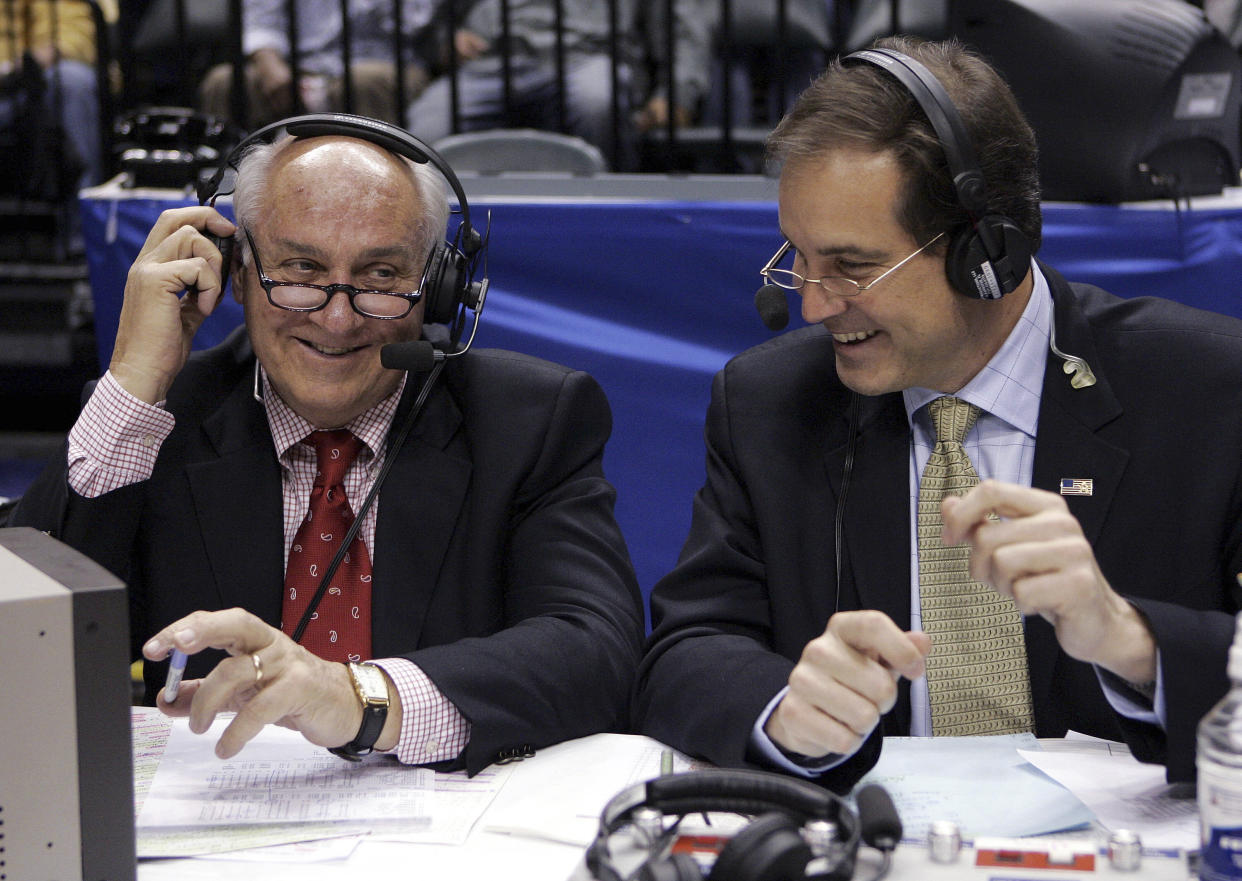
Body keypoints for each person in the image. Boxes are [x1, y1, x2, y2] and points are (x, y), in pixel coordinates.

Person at [632, 35, 1242, 790]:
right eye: (798, 256)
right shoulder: (770, 404)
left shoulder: (1206, 391)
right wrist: (784, 707)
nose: (812, 304)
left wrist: (1133, 642)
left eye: (851, 266)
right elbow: (684, 650)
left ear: (987, 250)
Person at [11, 115, 645, 773]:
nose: (336, 318)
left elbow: (598, 649)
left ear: (437, 290)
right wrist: (135, 381)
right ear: (237, 271)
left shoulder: (529, 422)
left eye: (378, 275)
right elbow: (25, 642)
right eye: (301, 269)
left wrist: (358, 698)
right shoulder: (157, 420)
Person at [199, 0, 436, 128]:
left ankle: (381, 183)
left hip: (384, 62)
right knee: (226, 82)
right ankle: (226, 187)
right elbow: (260, 22)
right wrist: (270, 67)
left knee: (363, 81)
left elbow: (416, 21)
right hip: (298, 62)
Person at [0, 0, 117, 193]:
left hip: (24, 85)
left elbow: (73, 34)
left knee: (72, 79)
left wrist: (23, 66)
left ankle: (85, 212)